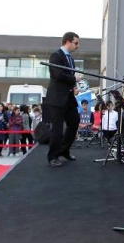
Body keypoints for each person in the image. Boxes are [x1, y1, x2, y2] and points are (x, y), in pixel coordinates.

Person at [46, 32, 82, 167]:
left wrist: (74, 86)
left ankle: (64, 150)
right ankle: (52, 156)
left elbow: (68, 77)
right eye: (76, 43)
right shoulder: (56, 56)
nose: (77, 46)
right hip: (57, 98)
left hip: (69, 97)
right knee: (57, 128)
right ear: (68, 42)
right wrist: (74, 79)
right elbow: (57, 74)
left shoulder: (70, 59)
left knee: (74, 122)